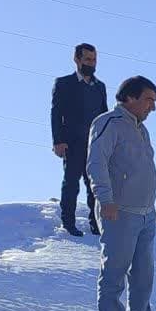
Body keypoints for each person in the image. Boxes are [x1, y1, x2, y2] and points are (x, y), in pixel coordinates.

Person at [87, 76, 156, 311]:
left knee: (143, 275)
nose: (152, 108)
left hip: (146, 213)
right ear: (130, 97)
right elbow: (96, 162)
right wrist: (106, 199)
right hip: (119, 211)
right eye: (149, 100)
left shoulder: (141, 130)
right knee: (115, 271)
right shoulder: (108, 123)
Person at [50, 43, 108, 236]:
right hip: (72, 143)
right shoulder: (64, 83)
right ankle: (68, 223)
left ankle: (96, 224)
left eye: (94, 59)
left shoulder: (100, 87)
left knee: (95, 186)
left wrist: (107, 142)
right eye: (87, 59)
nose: (91, 63)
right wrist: (58, 141)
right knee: (71, 183)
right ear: (77, 59)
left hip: (95, 145)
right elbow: (56, 113)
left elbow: (104, 116)